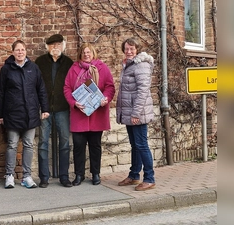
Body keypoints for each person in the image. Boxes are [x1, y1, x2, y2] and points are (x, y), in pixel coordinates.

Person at [0, 40, 50, 189]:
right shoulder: (6, 69)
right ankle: (9, 175)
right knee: (12, 145)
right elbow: (0, 93)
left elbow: (41, 90)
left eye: (23, 50)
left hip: (31, 113)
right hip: (12, 114)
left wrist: (45, 109)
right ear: (13, 52)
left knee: (28, 145)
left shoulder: (33, 68)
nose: (20, 52)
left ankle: (27, 176)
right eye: (17, 50)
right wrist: (0, 114)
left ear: (26, 51)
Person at [63, 43, 115, 186]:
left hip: (97, 113)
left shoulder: (102, 68)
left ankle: (96, 174)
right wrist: (73, 103)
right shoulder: (73, 69)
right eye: (84, 52)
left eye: (89, 52)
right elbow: (67, 87)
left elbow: (110, 86)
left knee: (95, 145)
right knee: (79, 145)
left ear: (93, 53)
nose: (86, 55)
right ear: (80, 54)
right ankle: (79, 175)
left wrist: (105, 98)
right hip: (80, 113)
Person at [116, 38, 156, 191]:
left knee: (141, 145)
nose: (129, 51)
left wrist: (136, 113)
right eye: (126, 49)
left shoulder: (141, 65)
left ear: (137, 49)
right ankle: (134, 175)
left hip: (137, 113)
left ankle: (149, 178)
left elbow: (143, 91)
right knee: (135, 145)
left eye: (132, 49)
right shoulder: (128, 65)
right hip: (129, 112)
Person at [35, 34, 74, 188]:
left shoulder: (69, 63)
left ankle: (64, 176)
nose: (55, 47)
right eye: (52, 45)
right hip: (45, 108)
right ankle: (44, 177)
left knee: (64, 142)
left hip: (63, 108)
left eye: (58, 44)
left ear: (63, 46)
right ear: (47, 47)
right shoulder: (40, 62)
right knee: (43, 142)